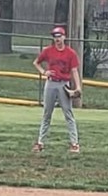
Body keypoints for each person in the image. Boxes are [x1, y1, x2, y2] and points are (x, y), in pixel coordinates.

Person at [32, 25, 81, 154]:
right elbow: (36, 62)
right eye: (55, 37)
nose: (57, 39)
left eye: (59, 36)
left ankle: (74, 144)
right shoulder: (48, 51)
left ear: (64, 37)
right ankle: (40, 142)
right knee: (47, 113)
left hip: (64, 84)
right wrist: (44, 72)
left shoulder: (70, 53)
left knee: (68, 113)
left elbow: (74, 70)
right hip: (51, 83)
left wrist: (78, 87)